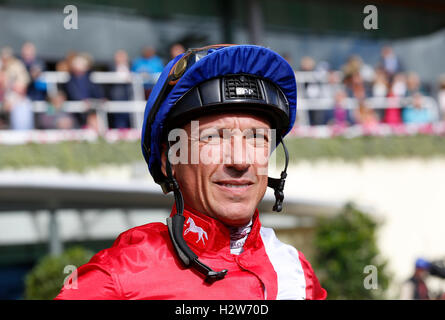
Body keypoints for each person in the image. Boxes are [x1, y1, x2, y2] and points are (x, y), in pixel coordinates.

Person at [55, 44, 327, 300]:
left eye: (257, 137)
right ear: (168, 161)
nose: (240, 160)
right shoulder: (116, 277)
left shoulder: (297, 271)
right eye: (214, 137)